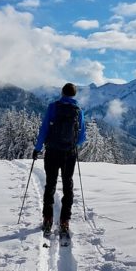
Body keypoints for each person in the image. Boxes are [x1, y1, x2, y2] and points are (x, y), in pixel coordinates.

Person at [32, 82, 86, 237]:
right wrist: (71, 144)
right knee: (68, 185)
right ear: (74, 95)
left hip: (52, 152)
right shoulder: (78, 111)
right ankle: (64, 222)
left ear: (62, 93)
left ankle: (47, 219)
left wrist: (37, 148)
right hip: (69, 154)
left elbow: (44, 129)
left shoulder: (53, 107)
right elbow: (82, 137)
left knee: (50, 184)